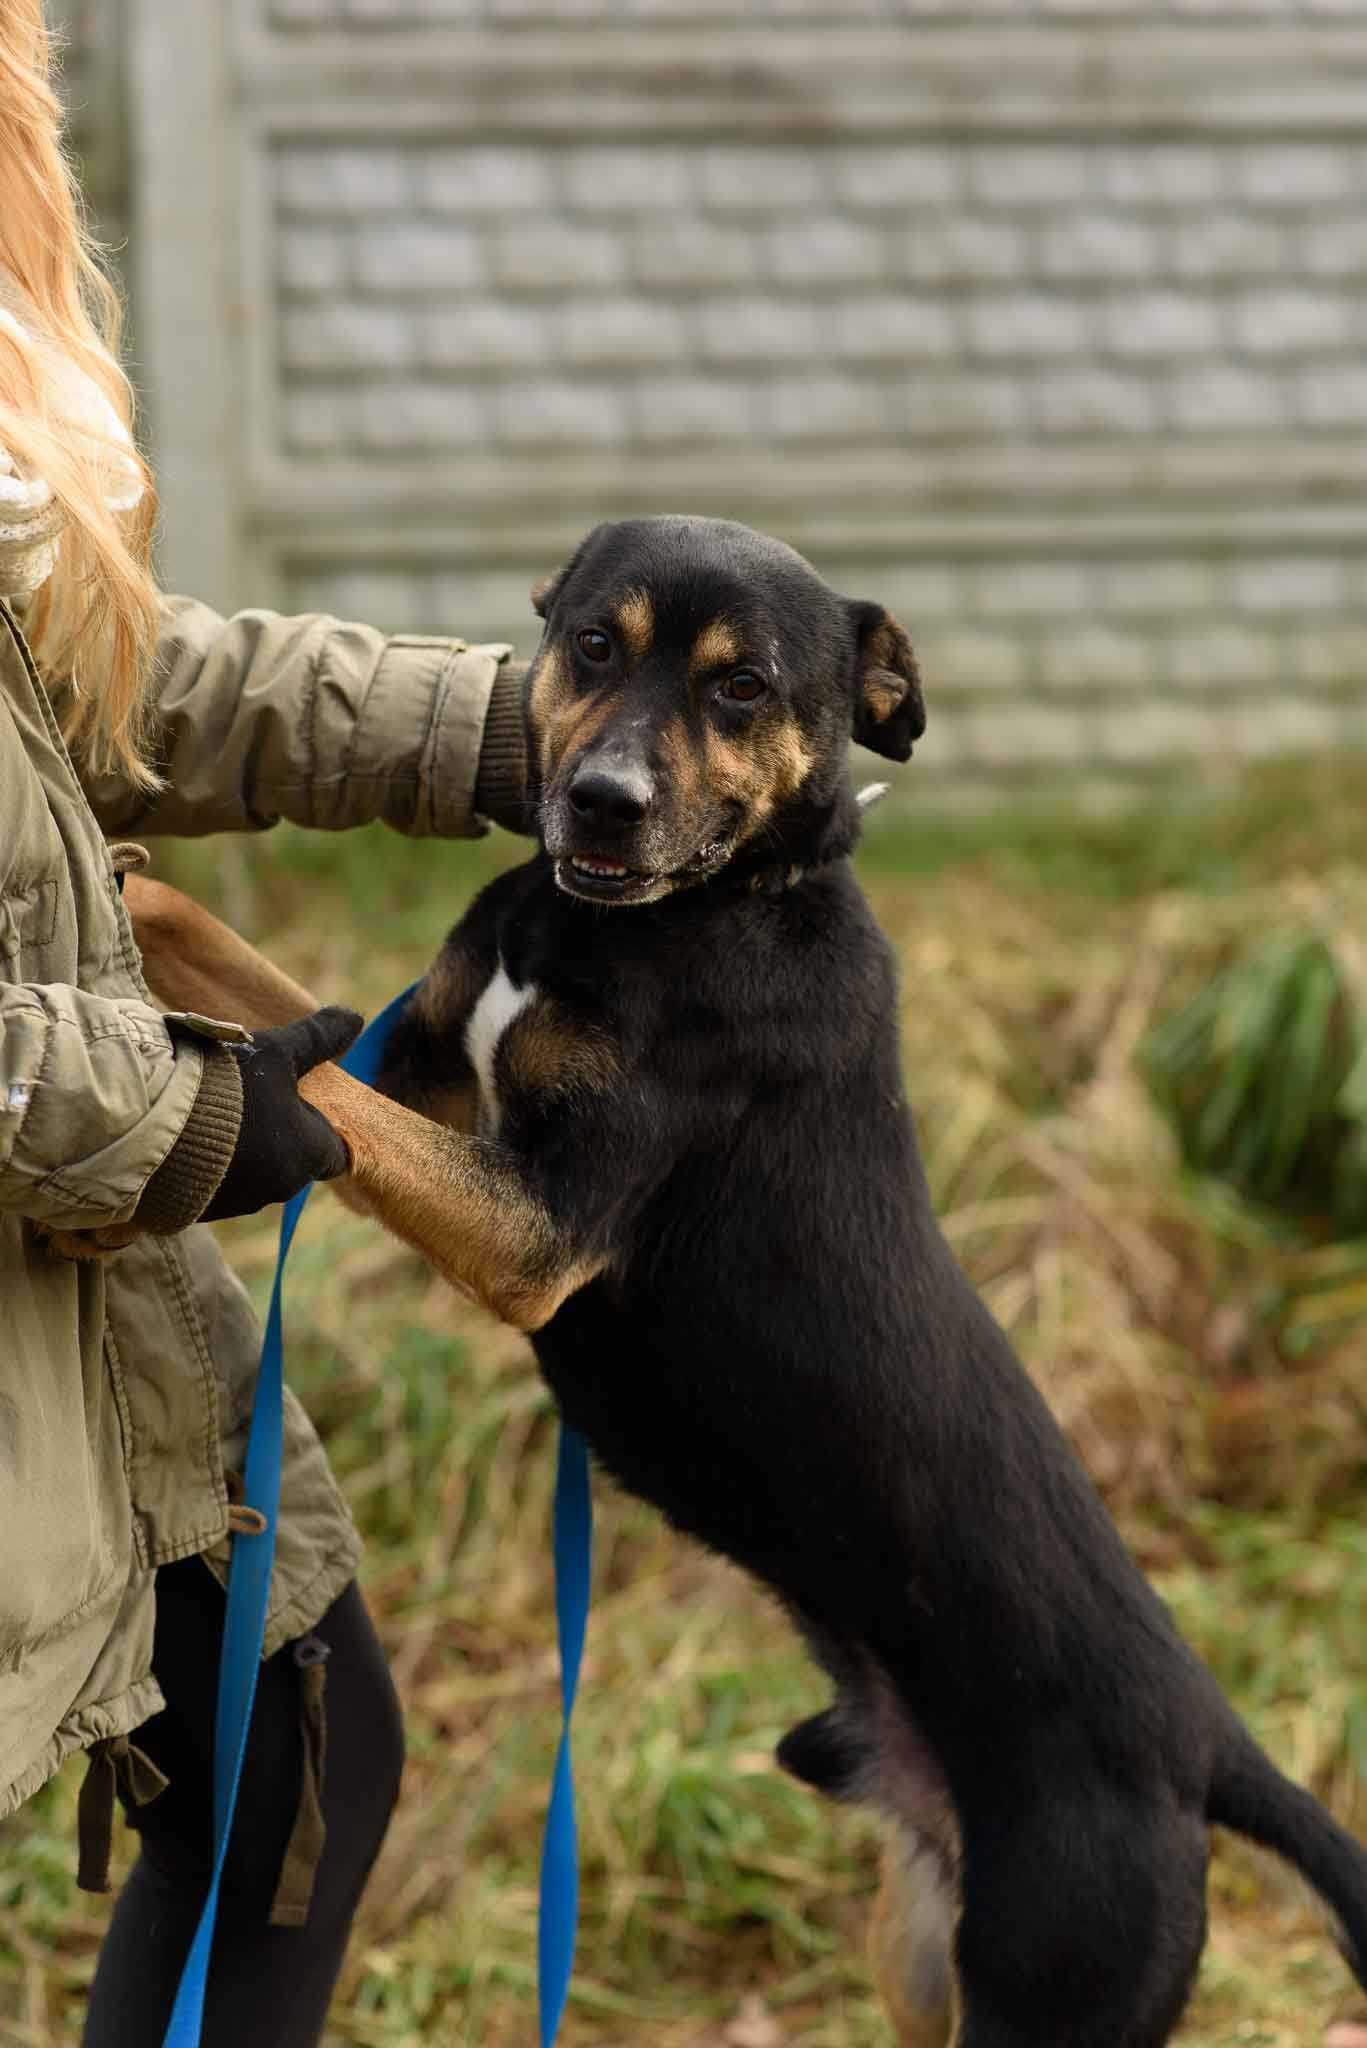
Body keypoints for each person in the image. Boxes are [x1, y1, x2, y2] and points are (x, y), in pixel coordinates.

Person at [0, 7, 527, 2043]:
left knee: (299, 1748)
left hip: (95, 1290)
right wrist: (204, 1118)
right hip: (77, 1189)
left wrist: (510, 726)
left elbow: (109, 699)